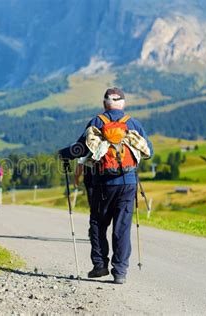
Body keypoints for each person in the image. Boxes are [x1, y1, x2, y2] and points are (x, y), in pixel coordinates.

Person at [59, 87, 153, 284]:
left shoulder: (97, 122)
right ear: (123, 103)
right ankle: (120, 272)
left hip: (103, 184)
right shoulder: (132, 123)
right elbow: (148, 150)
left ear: (104, 104)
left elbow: (81, 148)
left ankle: (100, 265)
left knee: (98, 223)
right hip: (128, 182)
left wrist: (64, 154)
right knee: (122, 227)